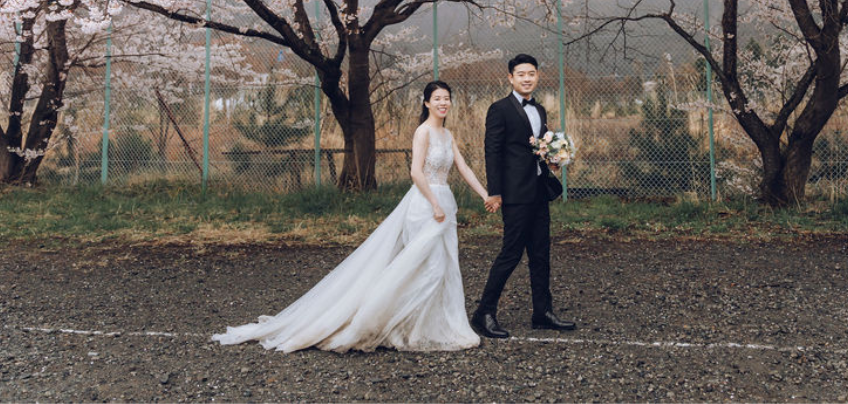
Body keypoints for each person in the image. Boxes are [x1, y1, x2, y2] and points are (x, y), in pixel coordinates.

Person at [212, 80, 492, 352]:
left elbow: (464, 167)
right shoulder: (424, 132)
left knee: (443, 266)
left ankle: (429, 325)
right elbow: (415, 172)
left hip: (445, 201)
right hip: (425, 204)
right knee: (424, 267)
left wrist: (485, 195)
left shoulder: (447, 134)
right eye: (438, 98)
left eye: (447, 98)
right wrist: (434, 203)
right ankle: (397, 324)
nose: (443, 103)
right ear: (427, 102)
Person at [470, 53, 576, 339]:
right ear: (510, 78)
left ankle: (542, 312)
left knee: (541, 254)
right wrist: (495, 192)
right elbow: (492, 153)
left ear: (537, 76)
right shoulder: (499, 109)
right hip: (515, 194)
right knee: (511, 253)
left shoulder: (540, 110)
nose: (527, 78)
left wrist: (551, 159)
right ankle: (484, 312)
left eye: (531, 73)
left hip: (539, 191)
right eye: (521, 74)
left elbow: (538, 148)